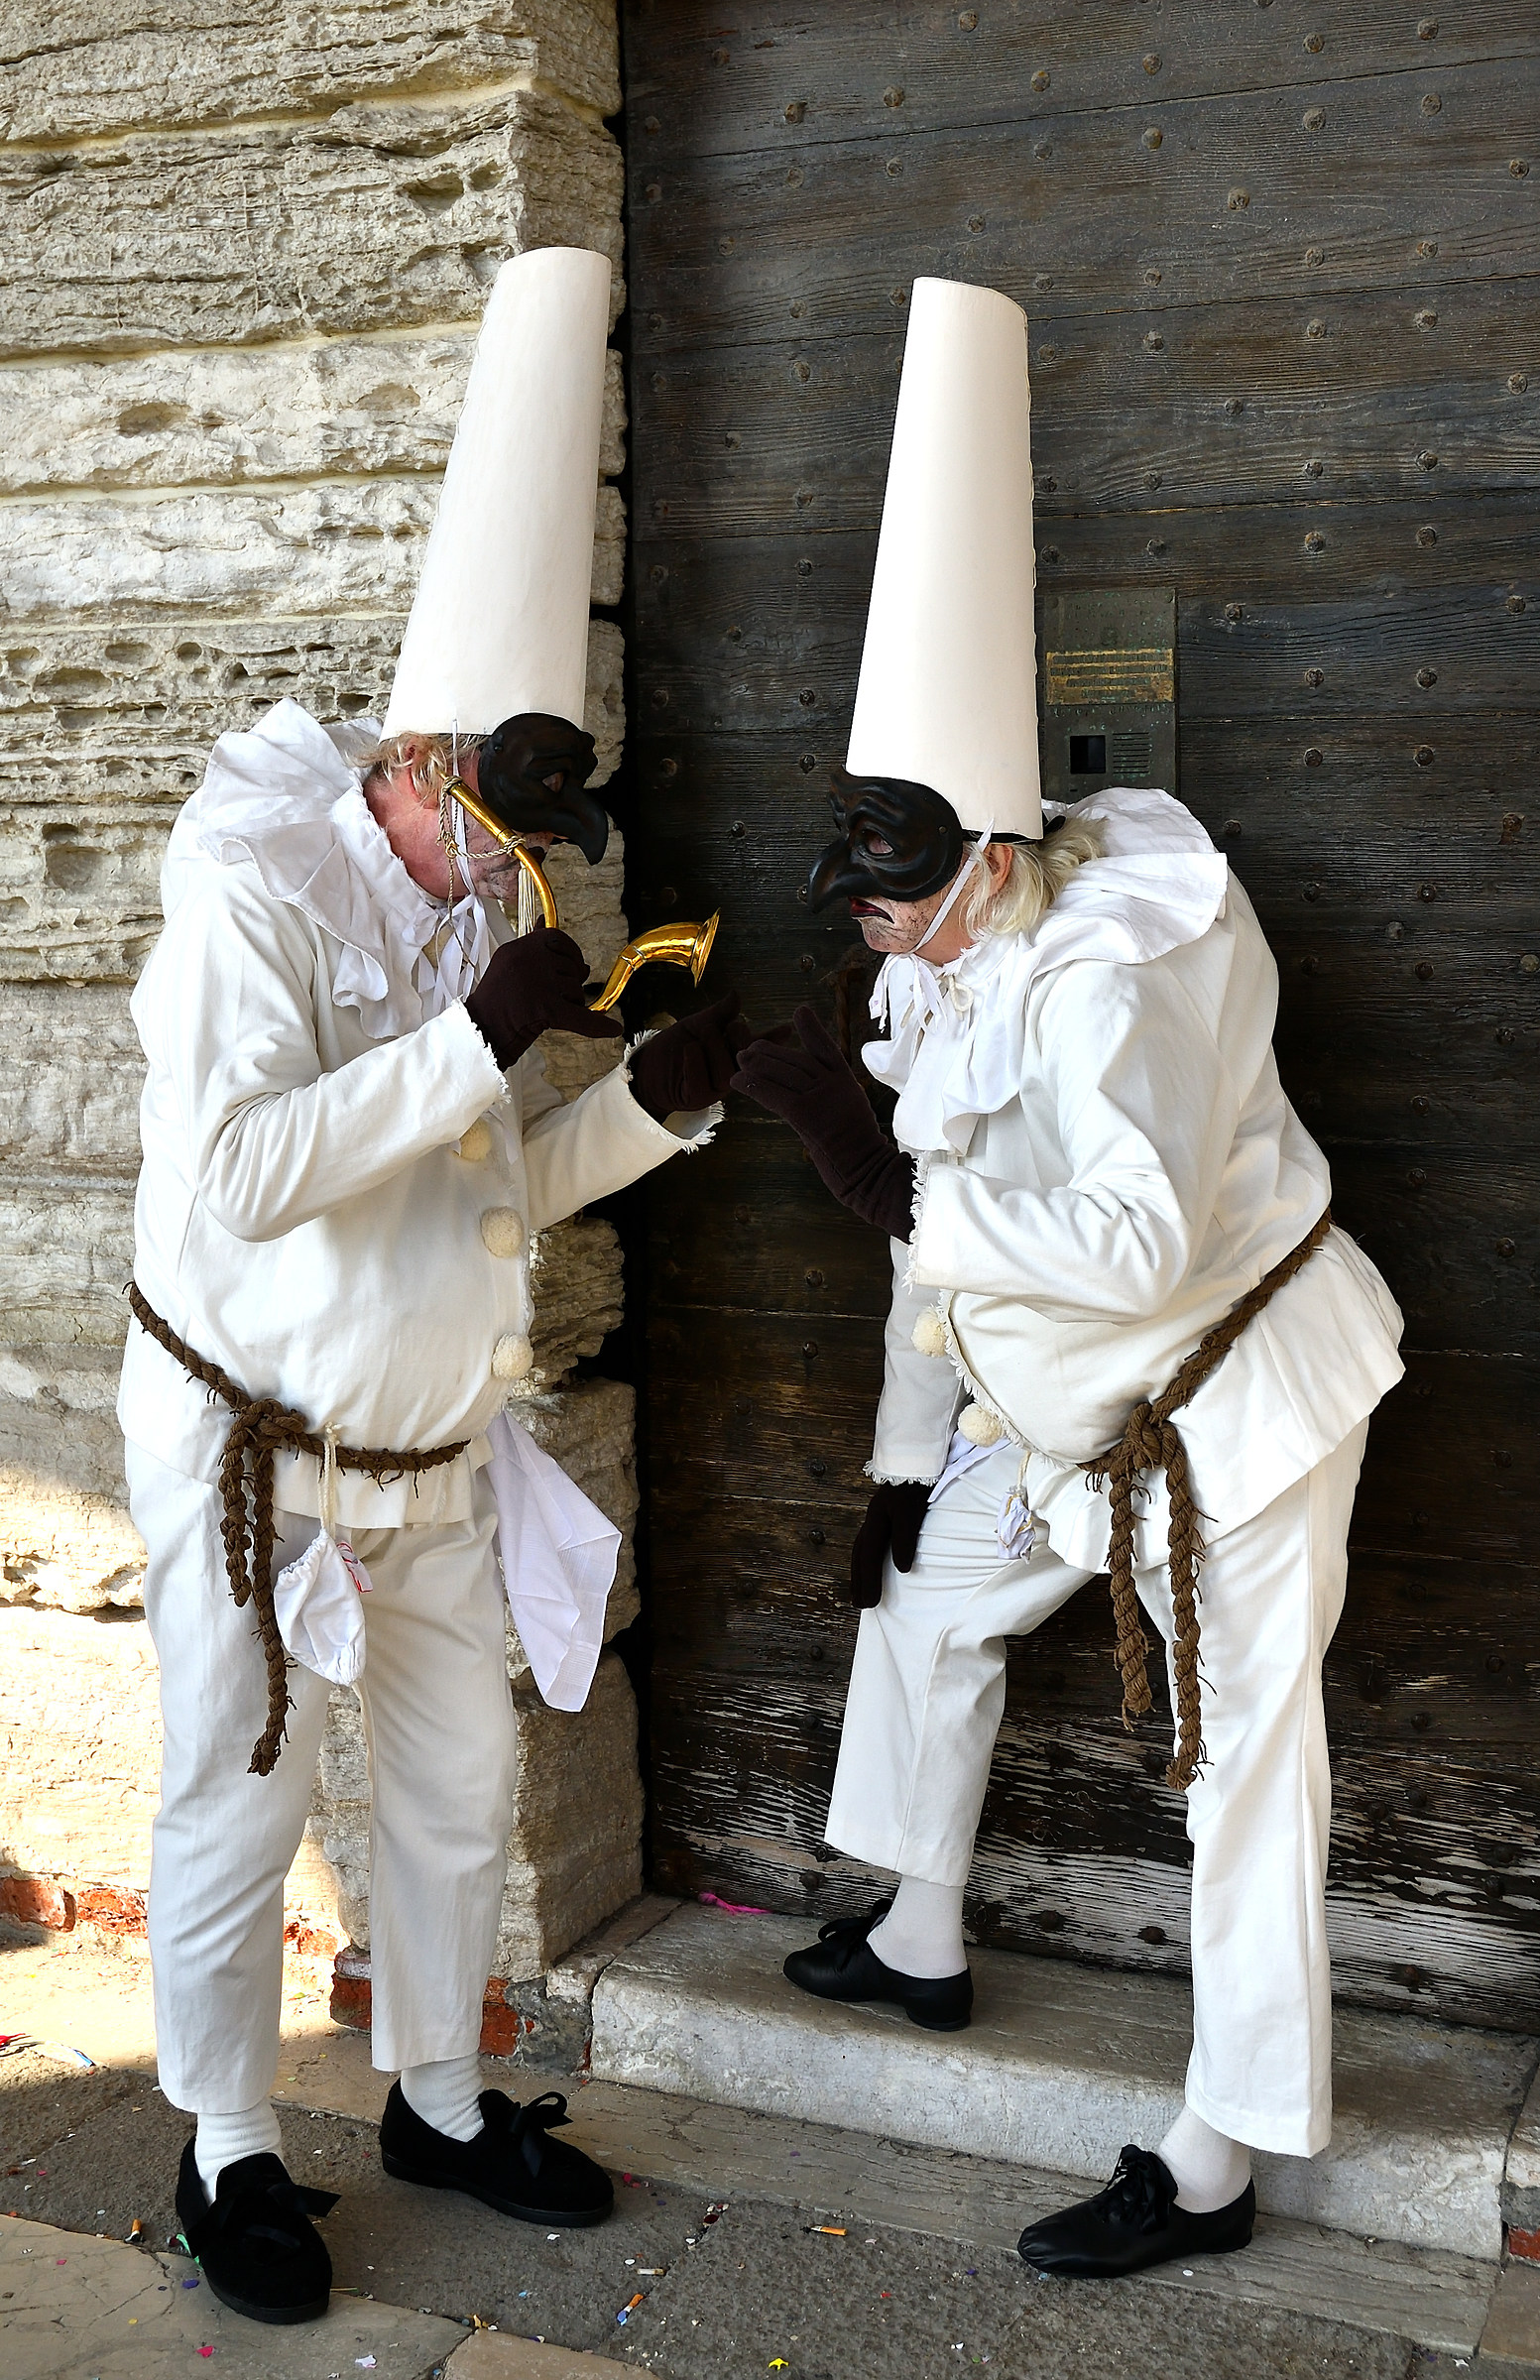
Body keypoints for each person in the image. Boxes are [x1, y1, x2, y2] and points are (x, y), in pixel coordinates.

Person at [732, 276, 1404, 2281]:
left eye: (898, 904)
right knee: (923, 1595)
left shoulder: (1119, 976)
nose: (879, 946)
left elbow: (1123, 1243)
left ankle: (1218, 2156)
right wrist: (893, 1454)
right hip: (1066, 1411)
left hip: (1232, 1413)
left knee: (1242, 1773)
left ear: (999, 859)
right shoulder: (963, 936)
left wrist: (882, 1181)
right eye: (858, 904)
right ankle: (923, 1931)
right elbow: (965, 1234)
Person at [120, 248, 745, 2324]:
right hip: (260, 1443)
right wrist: (471, 1040)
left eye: (543, 826)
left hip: (441, 1431)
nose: (523, 866)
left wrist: (648, 1103)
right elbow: (242, 1176)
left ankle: (442, 2097)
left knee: (467, 1787)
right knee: (238, 1790)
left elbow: (479, 1199)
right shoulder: (253, 899)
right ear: (419, 759)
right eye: (502, 814)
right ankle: (224, 2141)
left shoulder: (489, 901)